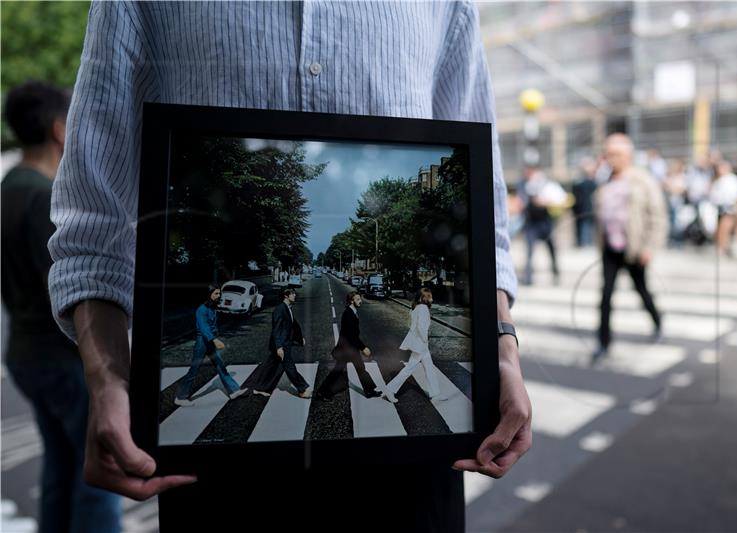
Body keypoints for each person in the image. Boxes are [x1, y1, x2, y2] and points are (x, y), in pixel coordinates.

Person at [48, 3, 531, 531]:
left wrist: (502, 347)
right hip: (221, 478)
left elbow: (480, 207)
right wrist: (108, 379)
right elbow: (95, 218)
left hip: (413, 471)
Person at [1, 81, 121, 533]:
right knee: (99, 479)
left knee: (59, 468)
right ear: (59, 129)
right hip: (64, 360)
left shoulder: (10, 185)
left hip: (24, 356)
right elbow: (70, 287)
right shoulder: (44, 198)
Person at [592, 134, 668, 364]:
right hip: (610, 248)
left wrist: (650, 247)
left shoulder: (642, 180)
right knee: (605, 296)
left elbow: (657, 215)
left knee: (642, 290)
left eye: (616, 154)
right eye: (608, 154)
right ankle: (603, 342)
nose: (611, 159)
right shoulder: (604, 181)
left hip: (634, 248)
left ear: (628, 156)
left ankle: (657, 322)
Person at [173, 285, 248, 406]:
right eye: (216, 294)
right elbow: (204, 327)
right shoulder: (201, 309)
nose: (219, 296)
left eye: (219, 294)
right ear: (209, 294)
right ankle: (181, 397)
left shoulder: (212, 308)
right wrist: (214, 340)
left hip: (210, 341)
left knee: (220, 365)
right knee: (194, 369)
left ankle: (234, 391)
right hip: (203, 341)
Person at [316, 291, 380, 400]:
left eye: (360, 299)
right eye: (358, 299)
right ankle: (322, 393)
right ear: (351, 301)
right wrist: (363, 347)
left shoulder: (352, 312)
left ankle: (369, 391)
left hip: (351, 348)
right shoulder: (348, 314)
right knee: (338, 371)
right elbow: (352, 335)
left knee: (360, 369)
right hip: (346, 349)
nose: (360, 301)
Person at [382, 288, 443, 403]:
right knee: (410, 368)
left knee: (429, 368)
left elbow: (412, 325)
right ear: (423, 298)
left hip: (419, 343)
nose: (432, 299)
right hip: (421, 344)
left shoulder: (415, 308)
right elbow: (421, 327)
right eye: (429, 297)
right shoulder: (423, 308)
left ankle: (435, 394)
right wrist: (425, 340)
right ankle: (390, 389)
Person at [251, 287, 312, 398]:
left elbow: (293, 324)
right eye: (293, 293)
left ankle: (260, 388)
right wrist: (279, 347)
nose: (295, 295)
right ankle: (302, 389)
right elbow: (276, 329)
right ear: (286, 296)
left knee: (271, 366)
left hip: (284, 342)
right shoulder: (279, 309)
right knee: (289, 367)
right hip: (282, 344)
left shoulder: (287, 308)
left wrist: (299, 338)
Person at [519, 166, 566, 285]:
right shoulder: (524, 186)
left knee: (552, 249)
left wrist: (546, 201)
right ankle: (528, 278)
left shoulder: (549, 186)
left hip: (546, 222)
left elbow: (561, 199)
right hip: (531, 224)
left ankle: (556, 272)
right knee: (529, 251)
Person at [708, 160, 737, 256]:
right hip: (720, 209)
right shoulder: (717, 181)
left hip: (732, 209)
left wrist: (735, 207)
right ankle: (722, 247)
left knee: (726, 225)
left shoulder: (733, 179)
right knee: (720, 227)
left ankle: (729, 247)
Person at [571, 157, 598, 247]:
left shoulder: (595, 181)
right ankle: (583, 244)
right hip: (582, 209)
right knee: (583, 227)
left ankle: (587, 243)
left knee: (589, 228)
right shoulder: (580, 181)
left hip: (591, 208)